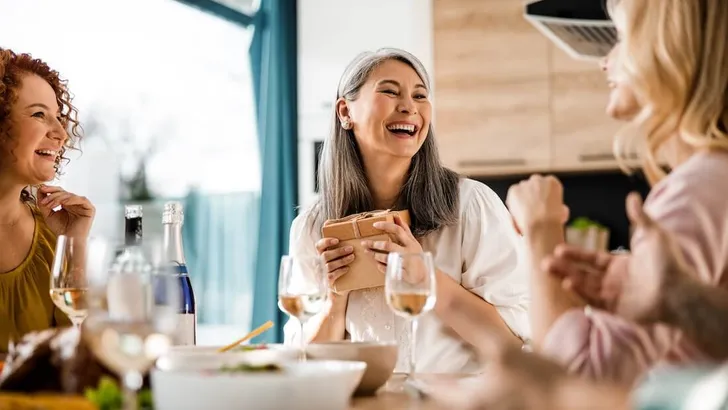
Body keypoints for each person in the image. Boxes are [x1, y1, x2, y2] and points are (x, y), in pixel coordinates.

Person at [505, 0, 728, 384]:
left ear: (668, 50)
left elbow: (578, 383)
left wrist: (541, 229)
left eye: (622, 38)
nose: (604, 61)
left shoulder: (696, 191)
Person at [284, 48, 530, 373]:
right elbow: (307, 367)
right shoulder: (312, 228)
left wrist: (422, 276)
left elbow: (511, 343)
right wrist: (334, 298)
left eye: (420, 95)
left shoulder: (471, 206)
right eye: (389, 91)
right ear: (345, 111)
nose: (409, 107)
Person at [0, 48, 95, 353]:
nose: (61, 134)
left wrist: (73, 243)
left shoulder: (53, 236)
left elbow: (76, 358)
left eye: (58, 117)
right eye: (39, 114)